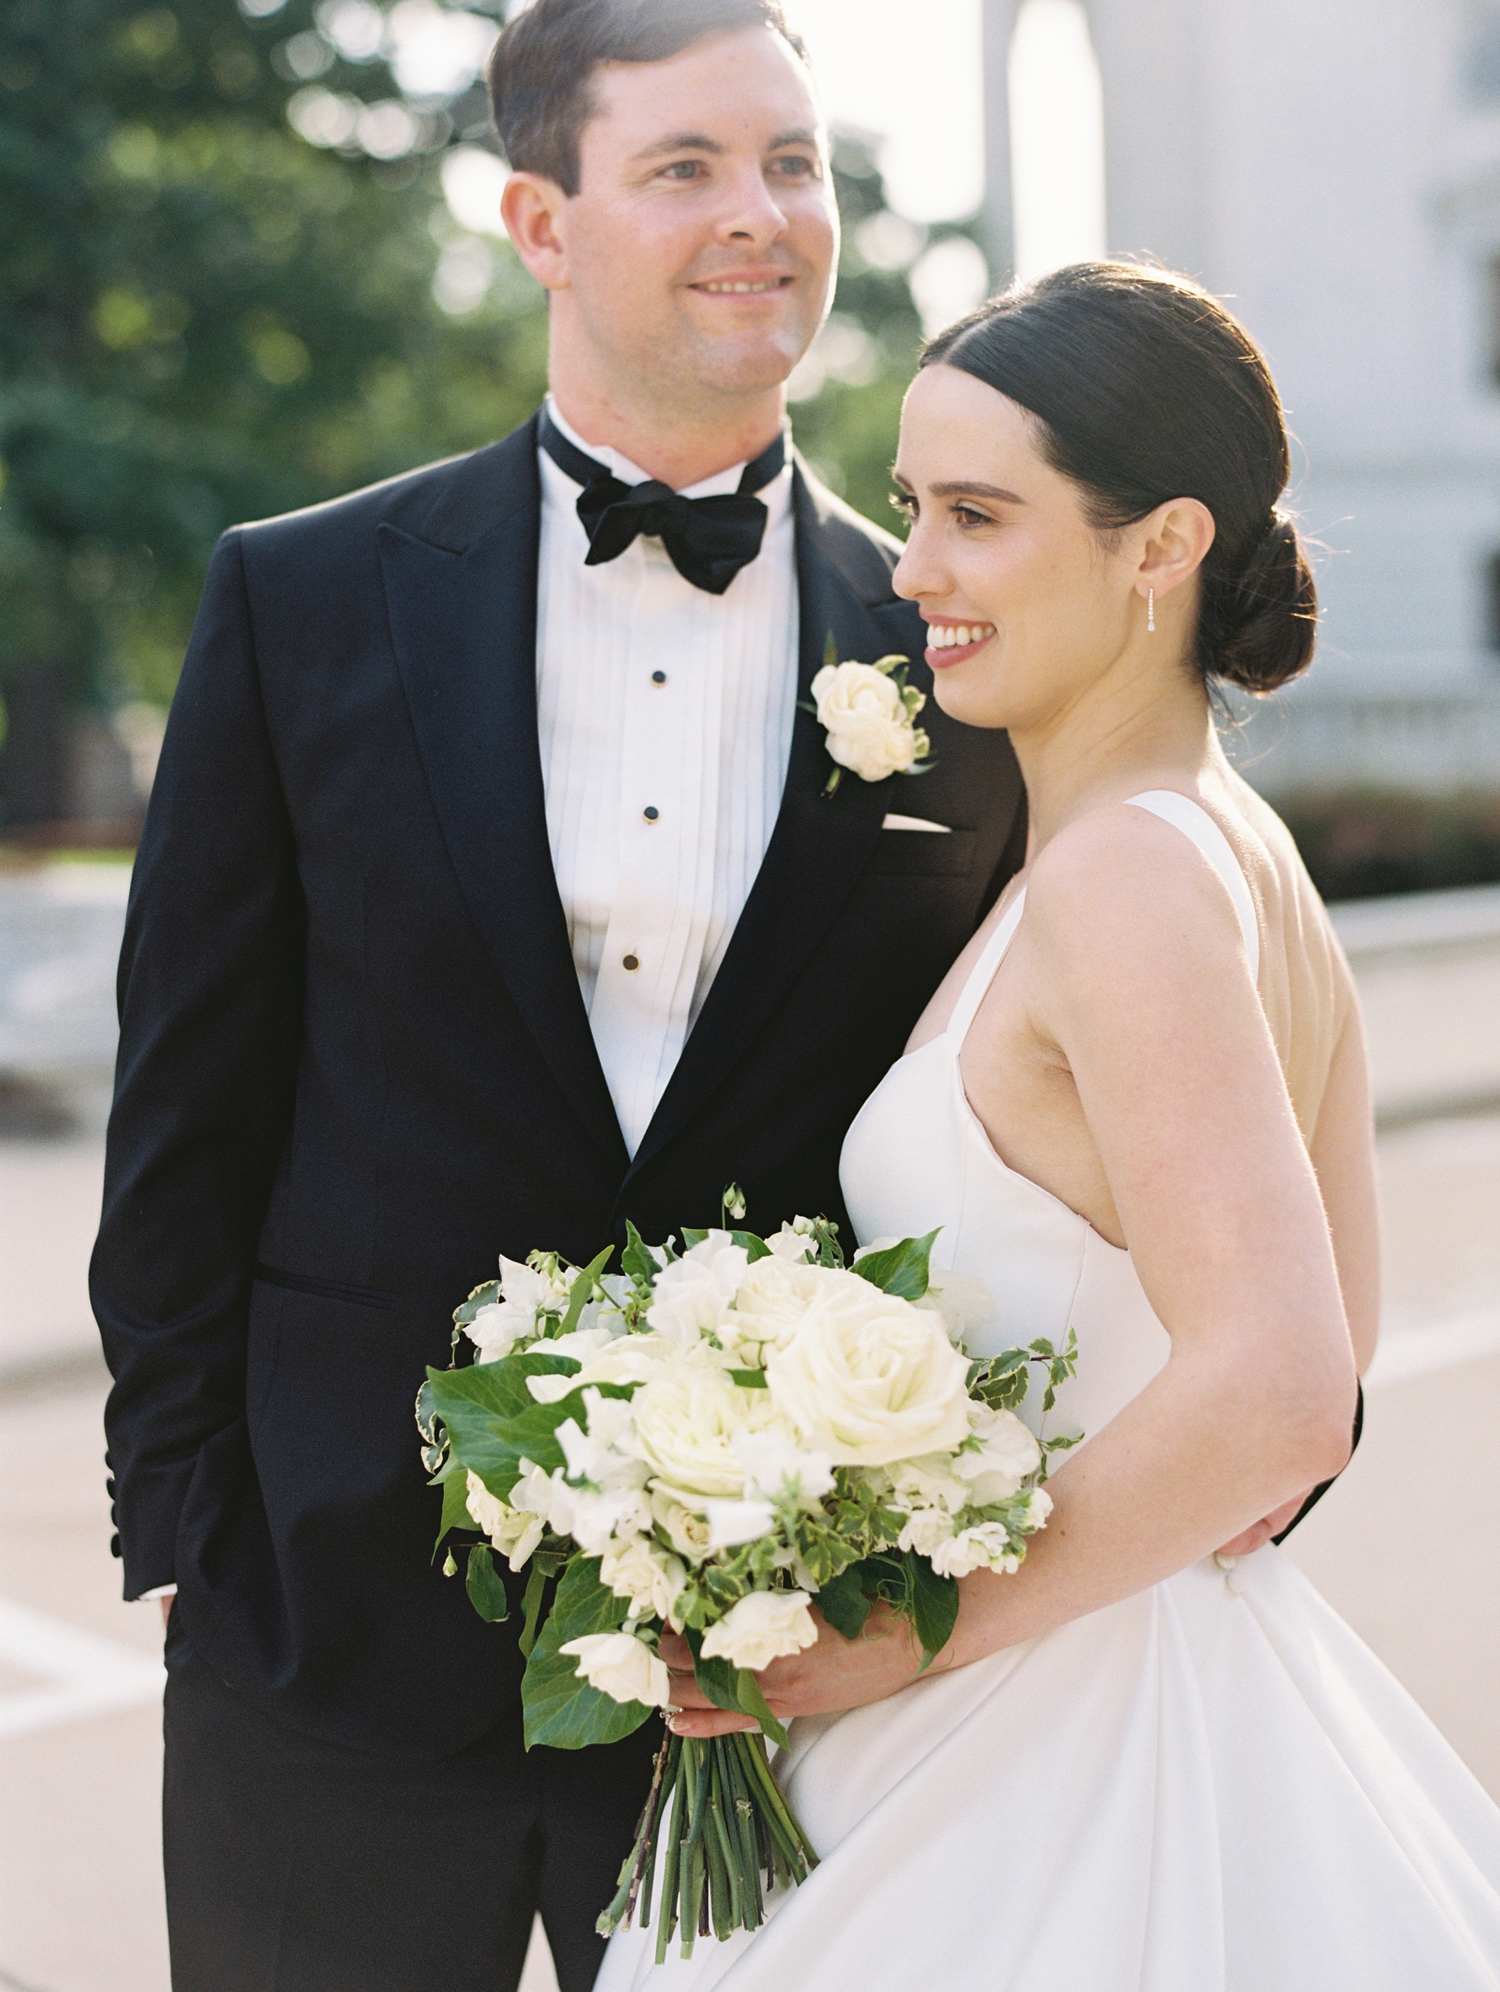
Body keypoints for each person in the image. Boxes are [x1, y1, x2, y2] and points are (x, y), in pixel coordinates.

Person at [89, 3, 1027, 1988]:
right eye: (685, 167)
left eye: (793, 163)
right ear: (540, 219)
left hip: (766, 1680)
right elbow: (187, 1109)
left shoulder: (960, 659)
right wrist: (180, 1538)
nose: (761, 217)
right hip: (324, 1637)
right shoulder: (306, 597)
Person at [611, 263, 1500, 1989]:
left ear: (1160, 546)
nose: (916, 570)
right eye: (909, 510)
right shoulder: (1235, 854)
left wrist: (888, 1633)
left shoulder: (1125, 884)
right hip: (1153, 1668)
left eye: (976, 515)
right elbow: (1315, 1383)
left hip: (1032, 1748)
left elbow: (1286, 1388)